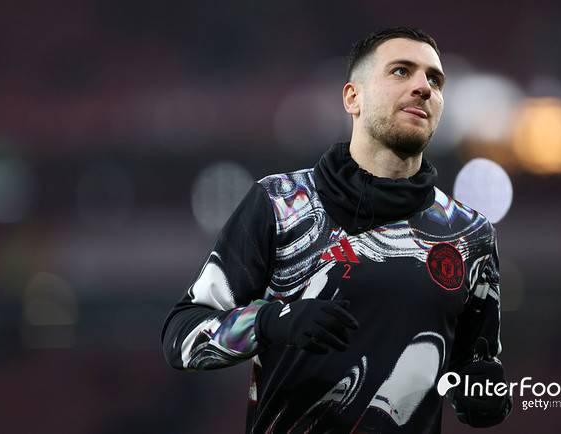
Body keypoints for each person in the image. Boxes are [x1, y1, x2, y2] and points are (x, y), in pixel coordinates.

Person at [161, 26, 512, 433]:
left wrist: (485, 396)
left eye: (434, 80)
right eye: (401, 71)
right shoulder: (280, 203)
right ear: (352, 97)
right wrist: (270, 322)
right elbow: (181, 337)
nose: (423, 87)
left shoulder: (471, 236)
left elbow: (477, 369)